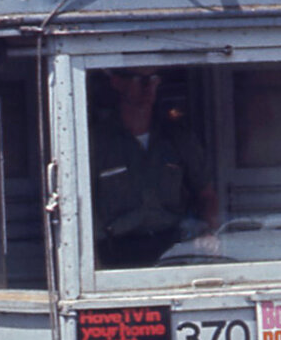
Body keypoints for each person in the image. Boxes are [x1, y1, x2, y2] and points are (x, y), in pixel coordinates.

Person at [90, 70, 218, 267]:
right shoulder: (97, 142)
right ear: (117, 82)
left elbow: (206, 194)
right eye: (140, 80)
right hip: (117, 253)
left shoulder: (177, 137)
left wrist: (208, 232)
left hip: (173, 249)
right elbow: (80, 206)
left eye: (154, 80)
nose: (149, 88)